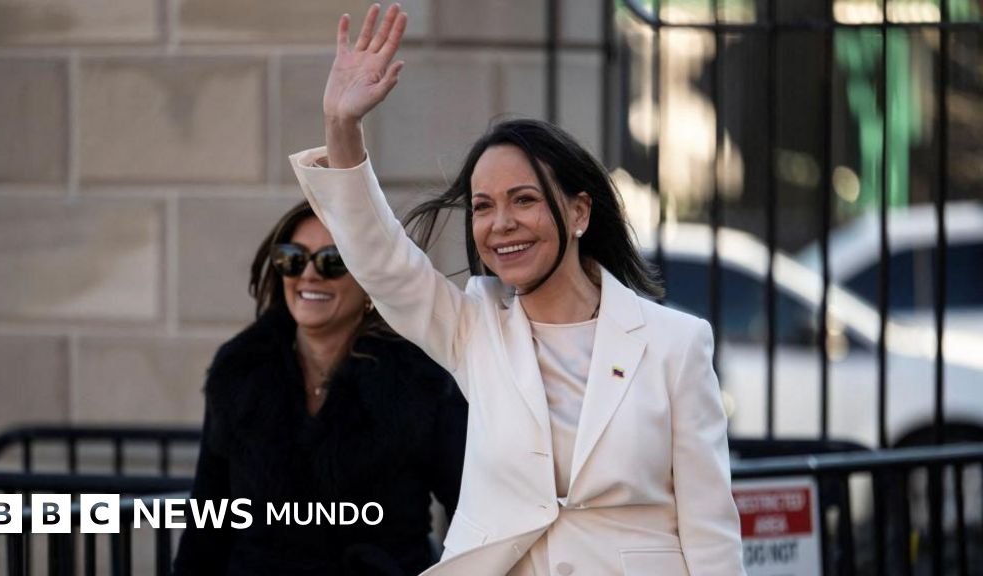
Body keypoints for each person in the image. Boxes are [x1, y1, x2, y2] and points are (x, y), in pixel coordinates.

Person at [290, 4, 745, 575]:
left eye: (524, 200)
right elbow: (383, 263)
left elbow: (711, 532)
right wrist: (342, 127)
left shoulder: (676, 345)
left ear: (579, 212)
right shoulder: (474, 327)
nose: (500, 223)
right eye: (483, 207)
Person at [172, 201, 468, 576]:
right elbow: (208, 521)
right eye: (293, 258)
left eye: (333, 260)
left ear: (369, 280)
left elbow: (473, 516)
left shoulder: (422, 381)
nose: (309, 274)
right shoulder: (240, 373)